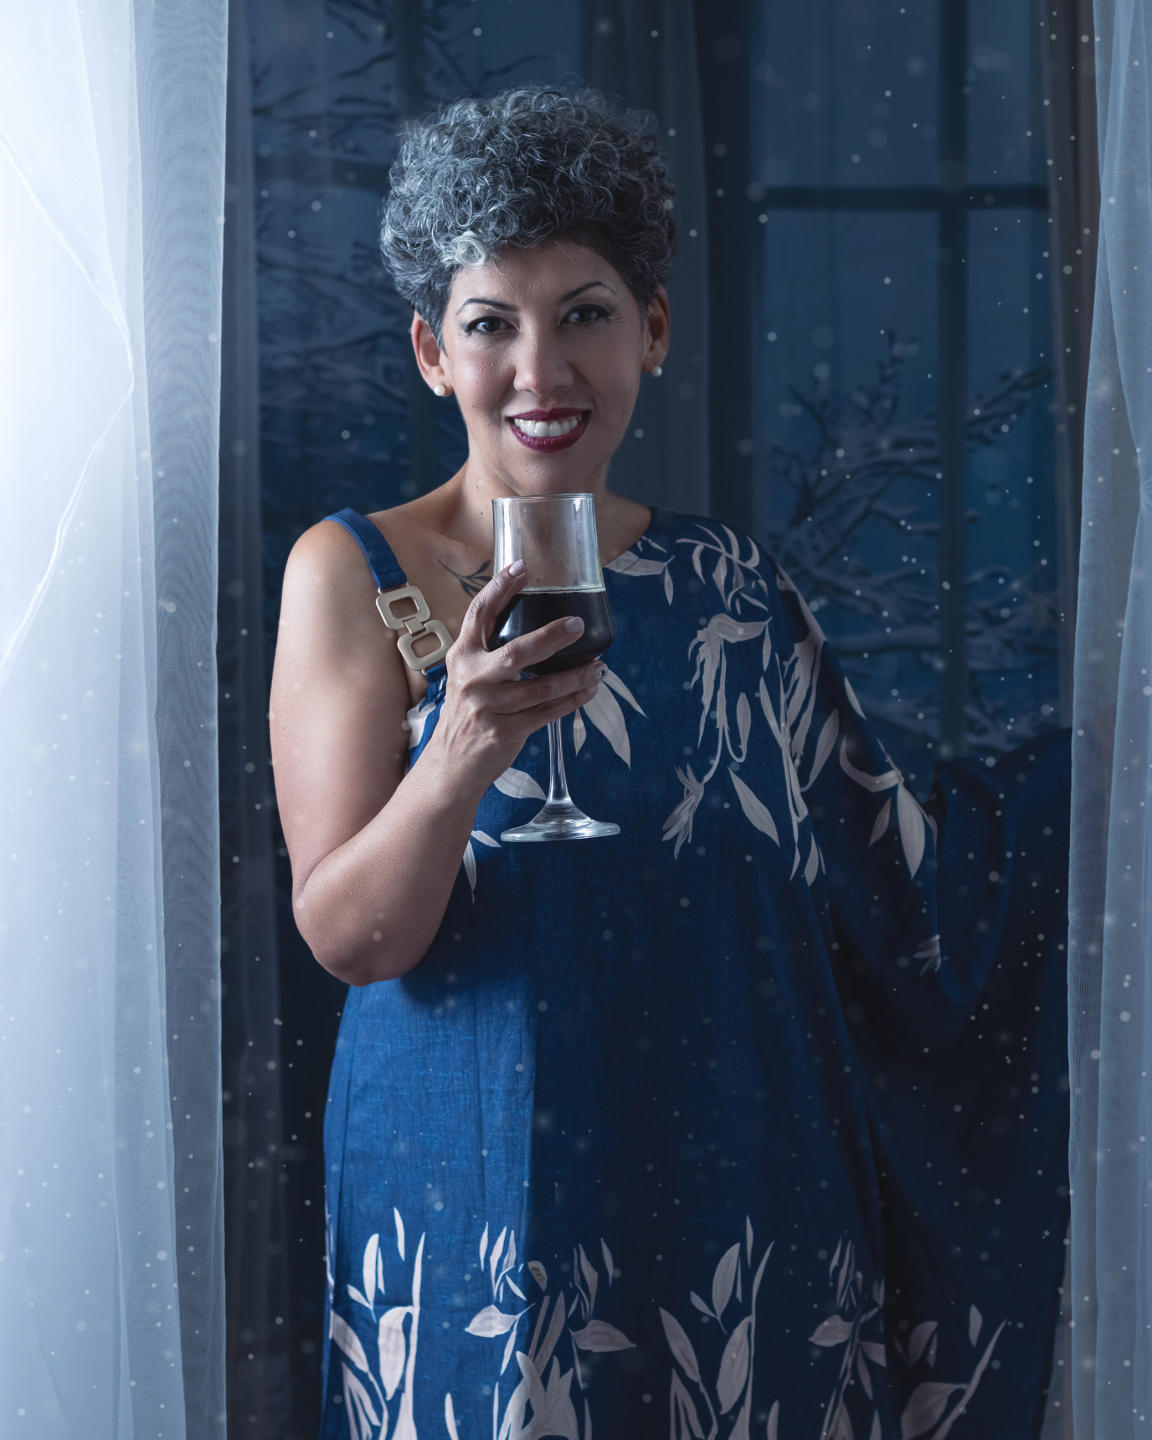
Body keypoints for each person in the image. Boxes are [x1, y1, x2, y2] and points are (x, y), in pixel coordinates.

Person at [269, 86, 1070, 1440]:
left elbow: (896, 890)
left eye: (584, 313)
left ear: (652, 328)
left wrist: (1097, 795)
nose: (541, 371)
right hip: (476, 1196)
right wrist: (462, 745)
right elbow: (352, 936)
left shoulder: (731, 586)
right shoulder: (359, 573)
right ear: (430, 351)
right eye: (490, 323)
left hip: (736, 1192)